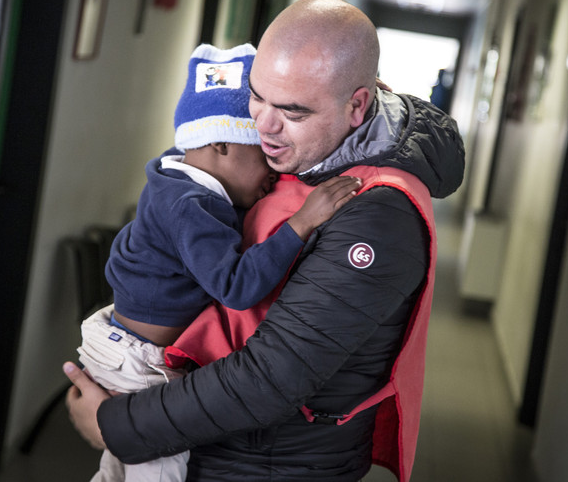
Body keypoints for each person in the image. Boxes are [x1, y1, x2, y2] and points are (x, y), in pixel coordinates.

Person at [65, 0, 465, 481]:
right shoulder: (310, 151)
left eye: (293, 112)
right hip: (217, 441)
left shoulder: (377, 215)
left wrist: (117, 425)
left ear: (358, 105)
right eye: (257, 98)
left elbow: (272, 377)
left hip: (267, 464)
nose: (263, 126)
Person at [76, 43, 361, 481]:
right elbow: (237, 287)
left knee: (120, 471)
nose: (273, 173)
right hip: (139, 360)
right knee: (161, 467)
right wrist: (301, 223)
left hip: (126, 343)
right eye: (263, 155)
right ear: (220, 144)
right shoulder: (190, 206)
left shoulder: (176, 176)